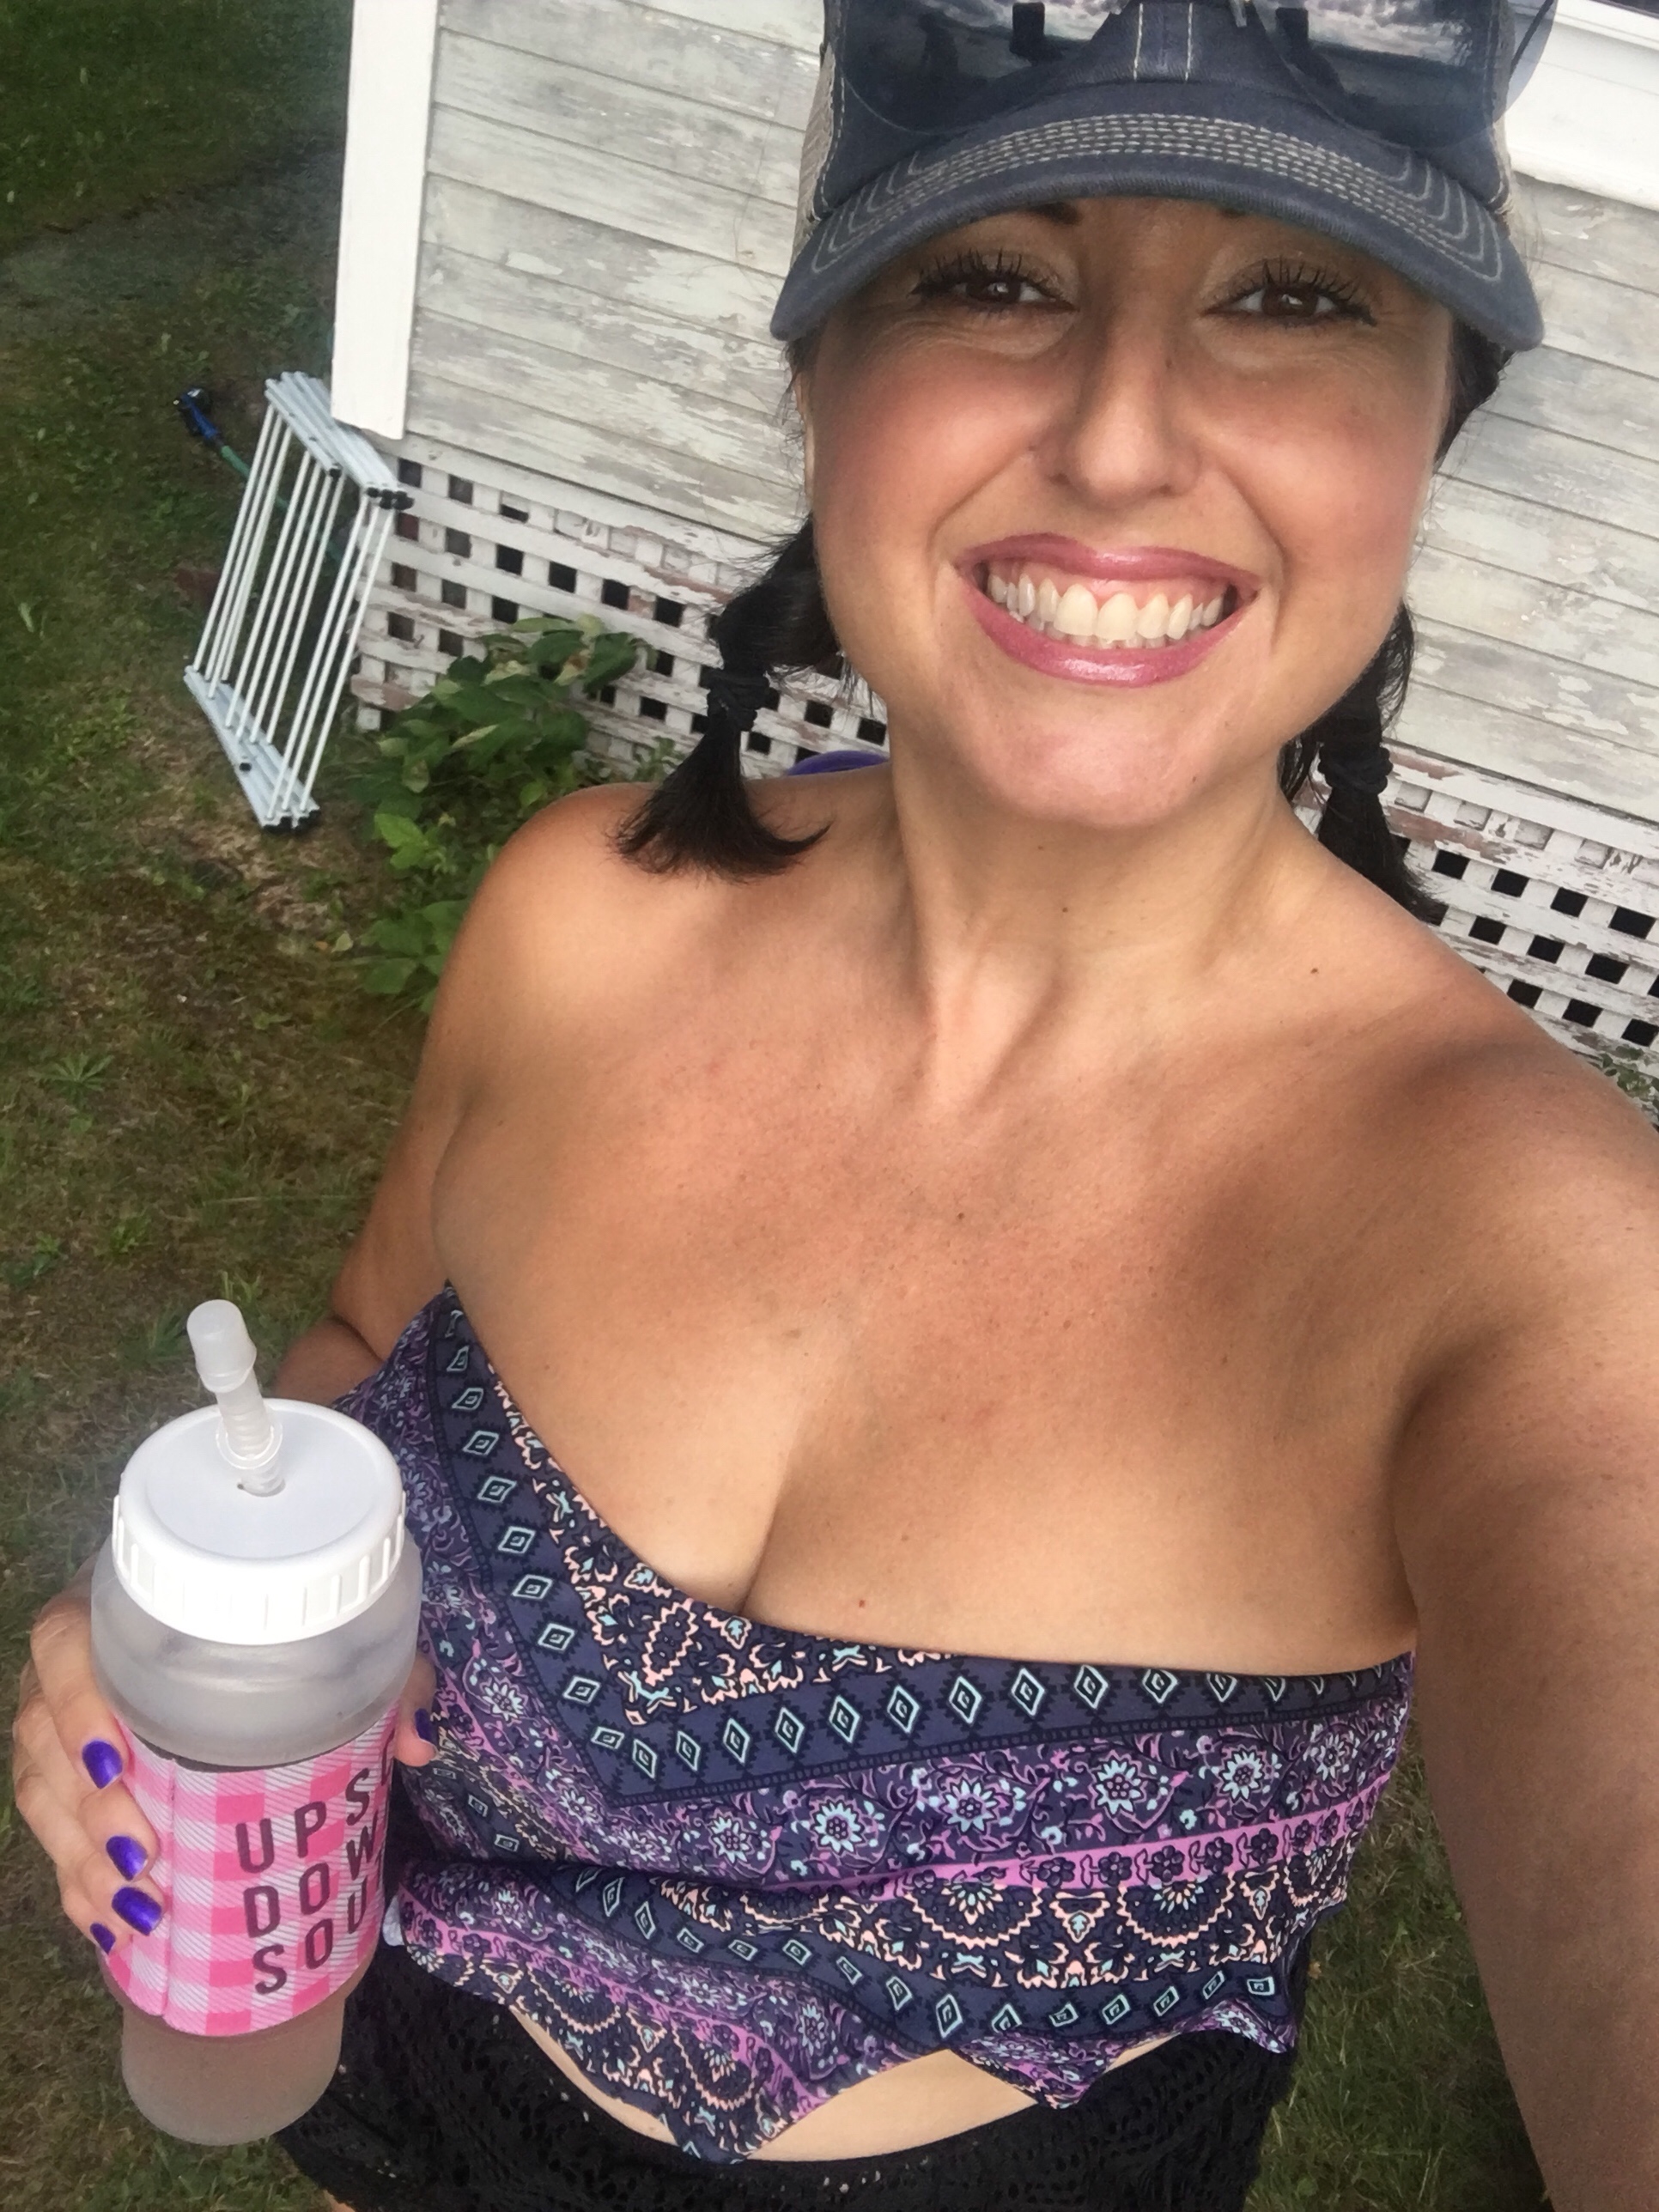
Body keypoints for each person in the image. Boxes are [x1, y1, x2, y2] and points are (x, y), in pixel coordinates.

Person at [15, 1, 1659, 2206]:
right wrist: (188, 1629)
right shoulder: (582, 921)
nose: (1120, 438)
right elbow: (352, 1344)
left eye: (1292, 300)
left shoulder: (1518, 1251)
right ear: (821, 375)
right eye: (996, 275)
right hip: (393, 2071)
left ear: (1429, 426)